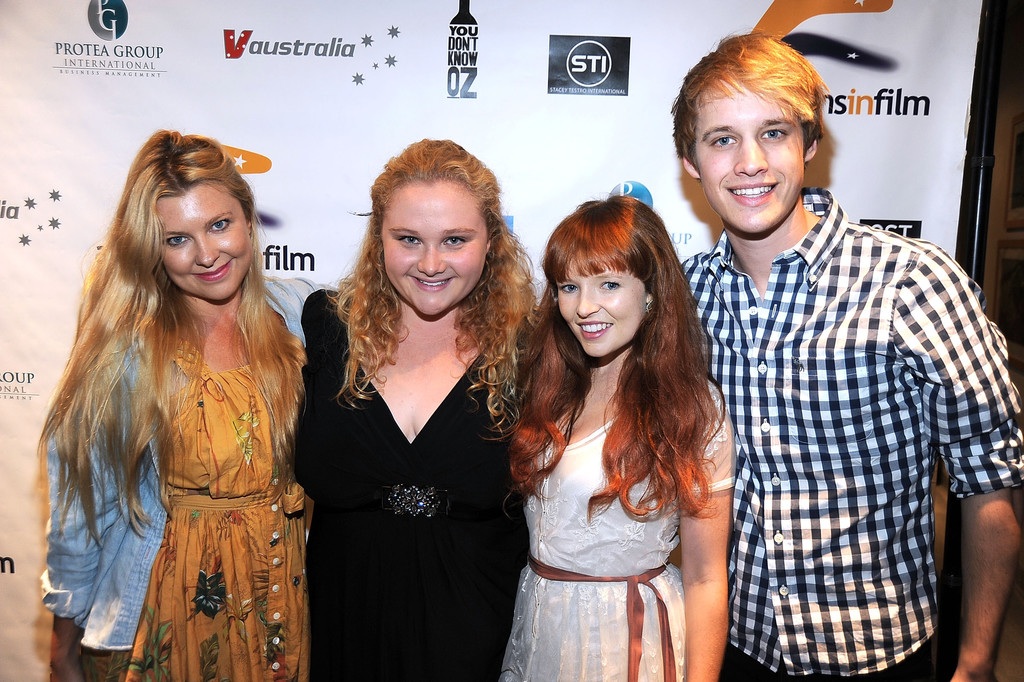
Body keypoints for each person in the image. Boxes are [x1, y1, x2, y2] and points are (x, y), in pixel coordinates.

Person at [673, 32, 1024, 681]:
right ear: (691, 162)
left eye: (773, 132)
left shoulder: (914, 284)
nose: (749, 162)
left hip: (879, 655)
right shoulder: (684, 295)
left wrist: (975, 666)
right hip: (738, 651)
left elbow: (992, 486)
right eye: (722, 138)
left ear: (809, 144)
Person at [41, 130, 314, 682]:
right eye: (177, 239)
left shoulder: (301, 316)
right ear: (151, 247)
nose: (208, 254)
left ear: (248, 218)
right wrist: (63, 648)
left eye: (220, 224)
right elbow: (83, 511)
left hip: (281, 604)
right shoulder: (126, 350)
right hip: (165, 610)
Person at [294, 138, 536, 680]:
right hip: (343, 623)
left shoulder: (536, 348)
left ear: (492, 241)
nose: (430, 264)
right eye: (408, 239)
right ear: (377, 238)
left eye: (455, 240)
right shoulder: (328, 329)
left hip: (480, 628)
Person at [500, 195, 734, 682]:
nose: (585, 307)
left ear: (652, 292)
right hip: (541, 625)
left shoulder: (691, 405)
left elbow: (706, 576)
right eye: (569, 286)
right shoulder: (552, 386)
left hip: (627, 640)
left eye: (609, 284)